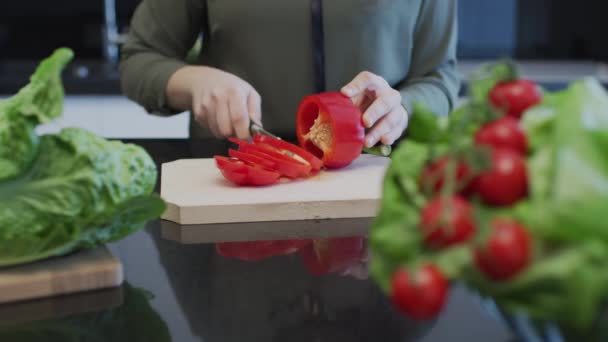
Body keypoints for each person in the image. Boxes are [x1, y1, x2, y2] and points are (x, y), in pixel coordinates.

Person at [119, 0, 460, 148]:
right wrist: (195, 82)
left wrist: (404, 109)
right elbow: (139, 59)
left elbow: (438, 76)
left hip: (375, 185)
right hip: (233, 186)